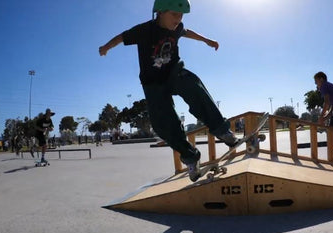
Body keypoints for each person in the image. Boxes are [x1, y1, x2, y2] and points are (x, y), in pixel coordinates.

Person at [99, 0, 238, 182]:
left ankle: (221, 130)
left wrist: (207, 40)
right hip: (152, 83)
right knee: (162, 123)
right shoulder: (144, 30)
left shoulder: (178, 27)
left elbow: (188, 32)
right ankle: (190, 157)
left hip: (173, 72)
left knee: (192, 85)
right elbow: (122, 37)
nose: (178, 19)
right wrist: (106, 47)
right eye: (174, 14)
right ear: (160, 12)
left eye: (181, 16)